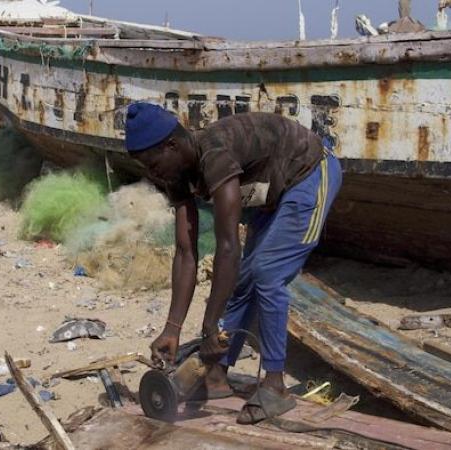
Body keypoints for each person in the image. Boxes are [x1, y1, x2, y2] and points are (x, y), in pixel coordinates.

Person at [125, 102, 342, 424]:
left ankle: (275, 386)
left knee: (267, 274)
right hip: (270, 193)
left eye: (154, 165)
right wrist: (172, 329)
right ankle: (216, 376)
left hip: (309, 174)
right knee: (241, 283)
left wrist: (210, 326)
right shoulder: (174, 172)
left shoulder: (214, 154)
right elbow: (186, 253)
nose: (153, 174)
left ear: (172, 144)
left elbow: (228, 247)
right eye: (146, 168)